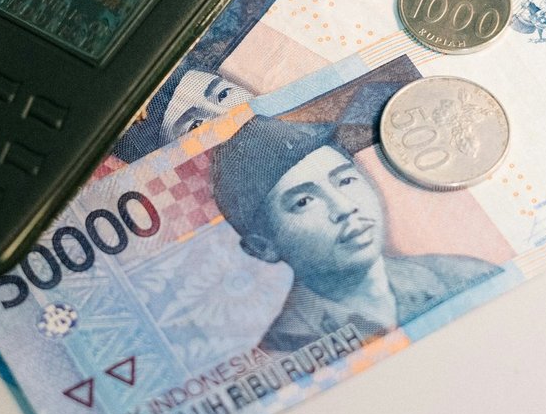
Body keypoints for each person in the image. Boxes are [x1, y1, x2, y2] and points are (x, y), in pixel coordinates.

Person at [211, 116, 501, 356]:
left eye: (345, 180)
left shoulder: (464, 275)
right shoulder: (284, 354)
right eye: (304, 202)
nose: (345, 207)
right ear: (262, 247)